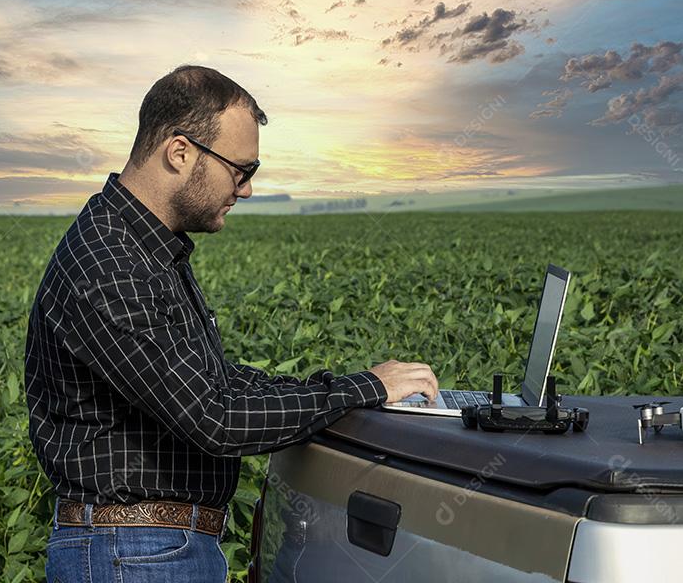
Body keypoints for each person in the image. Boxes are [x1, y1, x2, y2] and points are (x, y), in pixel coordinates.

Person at [24, 65, 439, 582]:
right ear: (180, 153)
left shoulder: (143, 251)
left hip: (146, 549)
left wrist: (351, 390)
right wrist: (361, 390)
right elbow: (215, 416)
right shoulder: (110, 263)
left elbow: (214, 380)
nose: (244, 189)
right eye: (240, 169)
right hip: (132, 554)